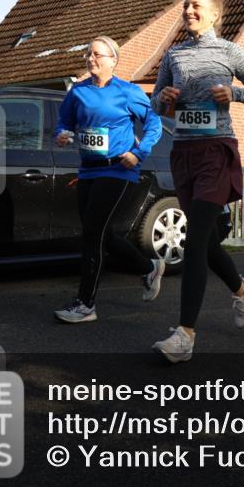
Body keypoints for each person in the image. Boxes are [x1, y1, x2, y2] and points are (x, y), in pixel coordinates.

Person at [149, 0, 244, 363]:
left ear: (216, 13)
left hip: (216, 151)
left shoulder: (230, 52)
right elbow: (155, 104)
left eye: (196, 5)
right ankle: (241, 289)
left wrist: (234, 94)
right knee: (206, 241)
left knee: (195, 241)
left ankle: (185, 333)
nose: (188, 11)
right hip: (183, 151)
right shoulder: (174, 55)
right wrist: (164, 99)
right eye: (185, 6)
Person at [53, 35, 165, 323]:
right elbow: (65, 120)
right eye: (88, 54)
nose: (91, 59)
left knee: (93, 234)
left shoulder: (127, 92)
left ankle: (85, 304)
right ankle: (149, 267)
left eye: (97, 55)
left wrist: (139, 153)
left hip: (118, 169)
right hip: (88, 168)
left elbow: (154, 123)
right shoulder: (78, 92)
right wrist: (62, 134)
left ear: (113, 60)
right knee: (103, 234)